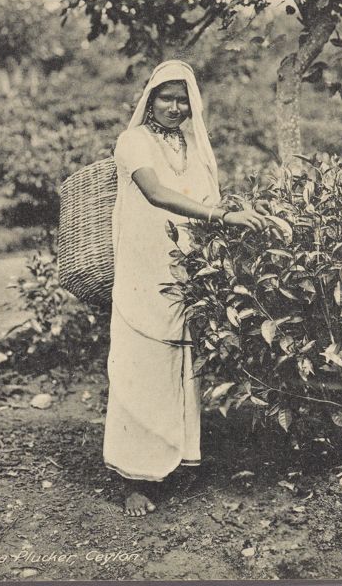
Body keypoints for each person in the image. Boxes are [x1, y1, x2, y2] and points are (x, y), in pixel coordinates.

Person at [103, 60, 268, 516]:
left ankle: (172, 460)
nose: (175, 107)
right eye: (166, 97)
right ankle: (133, 476)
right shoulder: (132, 141)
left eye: (183, 100)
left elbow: (205, 200)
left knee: (179, 359)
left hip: (183, 267)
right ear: (149, 98)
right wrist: (220, 216)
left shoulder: (192, 145)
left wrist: (234, 213)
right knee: (141, 361)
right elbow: (155, 193)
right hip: (143, 265)